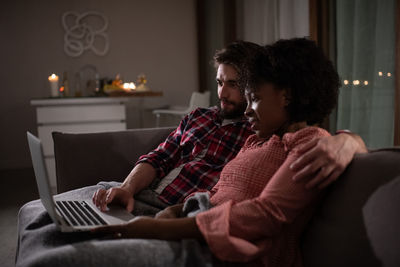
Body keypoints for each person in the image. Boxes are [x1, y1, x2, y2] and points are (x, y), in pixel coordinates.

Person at [93, 38, 351, 266]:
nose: (225, 94)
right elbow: (205, 186)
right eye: (219, 83)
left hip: (216, 245)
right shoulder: (253, 139)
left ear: (285, 96)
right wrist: (172, 209)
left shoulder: (292, 139)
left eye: (253, 96)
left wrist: (350, 140)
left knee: (77, 253)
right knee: (66, 219)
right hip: (184, 218)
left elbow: (266, 214)